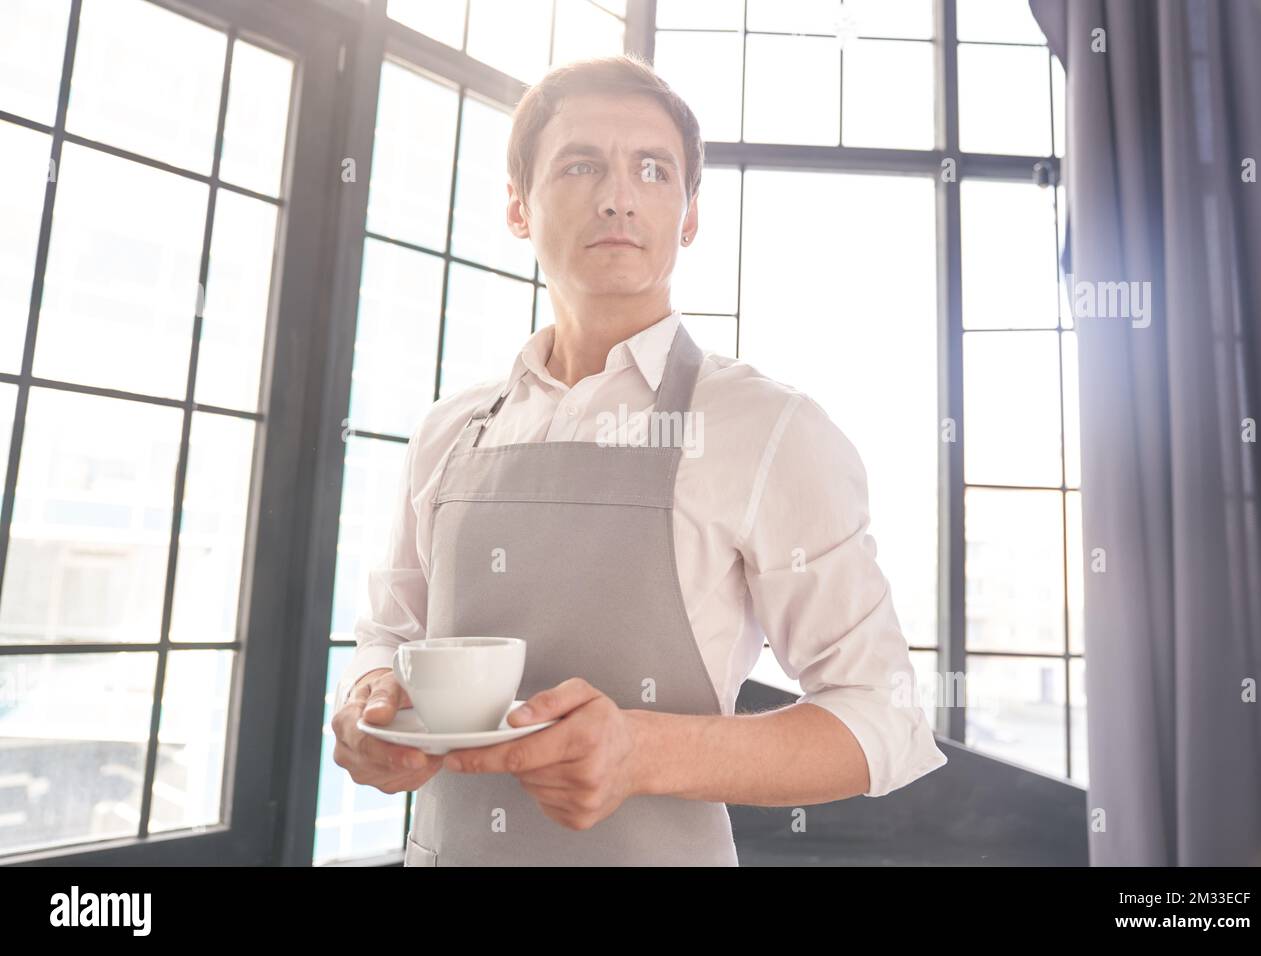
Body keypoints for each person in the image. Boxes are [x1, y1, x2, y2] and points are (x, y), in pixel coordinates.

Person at [330, 53, 946, 866]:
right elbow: (392, 633)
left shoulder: (768, 429)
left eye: (653, 171)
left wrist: (643, 751)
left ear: (689, 216)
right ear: (517, 207)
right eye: (581, 164)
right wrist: (367, 700)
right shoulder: (451, 430)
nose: (618, 195)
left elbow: (884, 718)